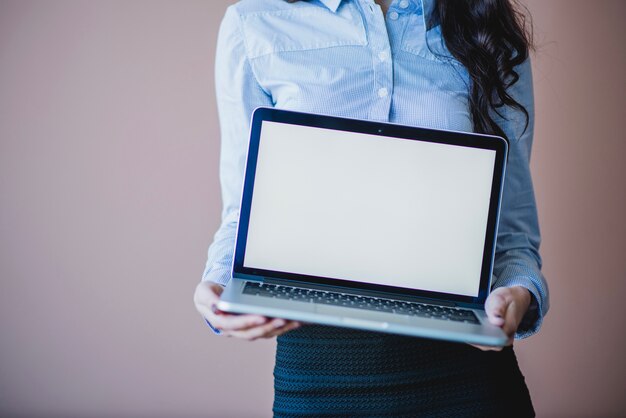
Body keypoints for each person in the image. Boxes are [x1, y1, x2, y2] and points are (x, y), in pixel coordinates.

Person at [194, 0, 549, 416]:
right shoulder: (253, 23)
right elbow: (242, 212)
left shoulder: (485, 22)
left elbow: (512, 235)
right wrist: (217, 286)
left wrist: (519, 292)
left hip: (467, 381)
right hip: (318, 378)